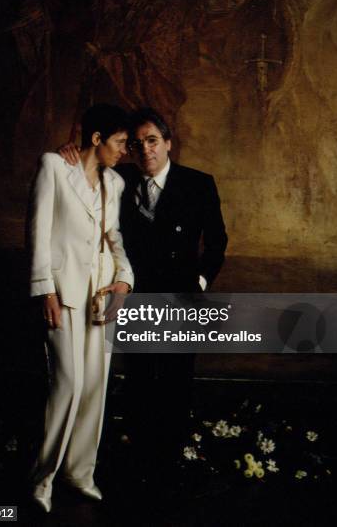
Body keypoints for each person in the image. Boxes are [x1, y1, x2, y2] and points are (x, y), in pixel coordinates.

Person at [59, 107, 227, 486]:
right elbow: (85, 167)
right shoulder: (119, 176)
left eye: (152, 140)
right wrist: (68, 151)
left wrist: (198, 282)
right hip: (133, 297)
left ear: (168, 143)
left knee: (175, 381)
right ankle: (139, 464)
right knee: (137, 380)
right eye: (136, 143)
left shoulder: (198, 184)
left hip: (180, 298)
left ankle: (170, 466)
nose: (145, 149)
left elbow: (217, 242)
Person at [28, 103, 134, 513]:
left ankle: (80, 473)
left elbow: (114, 237)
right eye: (120, 142)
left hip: (101, 296)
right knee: (67, 383)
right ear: (96, 139)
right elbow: (37, 232)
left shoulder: (115, 184)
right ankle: (42, 479)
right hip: (63, 292)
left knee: (94, 387)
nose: (124, 150)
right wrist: (45, 291)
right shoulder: (54, 166)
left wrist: (125, 277)